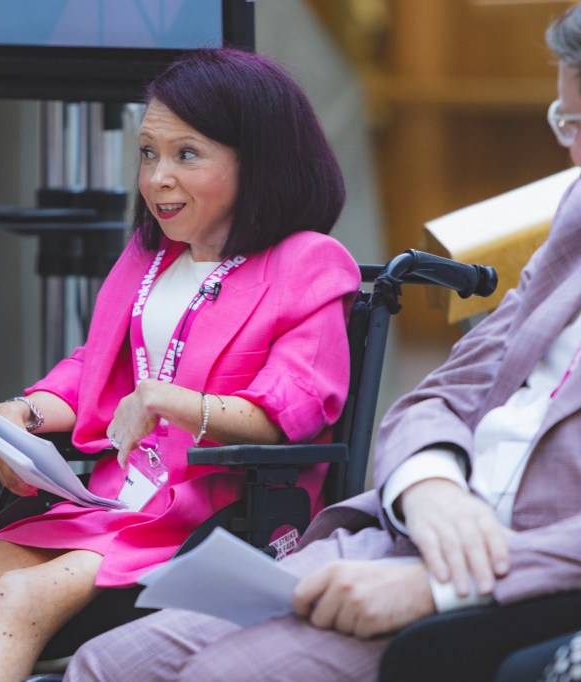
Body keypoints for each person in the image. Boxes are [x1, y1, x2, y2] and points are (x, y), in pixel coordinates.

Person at [63, 5, 581, 682]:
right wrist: (430, 486)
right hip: (409, 527)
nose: (570, 153)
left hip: (516, 571)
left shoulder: (303, 263)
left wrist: (447, 585)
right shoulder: (573, 214)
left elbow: (293, 405)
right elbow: (440, 393)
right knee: (106, 663)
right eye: (567, 122)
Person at [0, 48, 361, 682]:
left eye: (187, 154)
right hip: (112, 502)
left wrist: (168, 401)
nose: (157, 178)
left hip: (210, 516)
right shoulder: (151, 256)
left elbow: (293, 409)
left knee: (19, 595)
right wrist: (22, 415)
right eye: (148, 153)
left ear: (259, 162)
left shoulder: (307, 262)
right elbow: (97, 371)